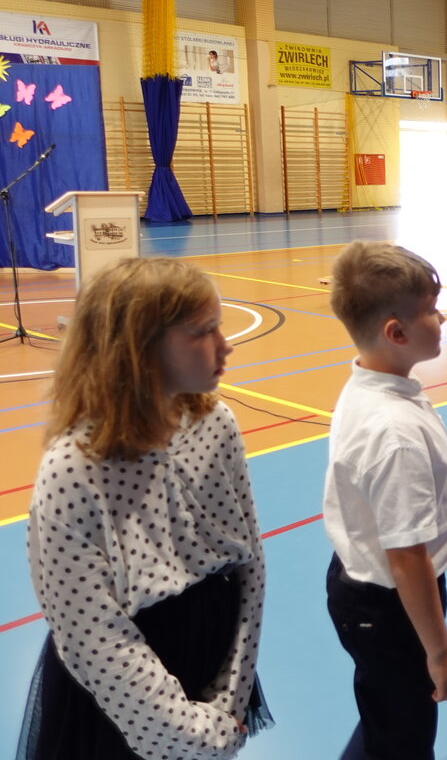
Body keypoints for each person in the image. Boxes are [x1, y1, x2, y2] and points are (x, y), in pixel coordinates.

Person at [18, 257, 270, 760]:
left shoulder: (216, 423)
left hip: (212, 670)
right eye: (203, 331)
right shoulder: (73, 471)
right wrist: (196, 734)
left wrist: (231, 692)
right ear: (140, 351)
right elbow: (92, 635)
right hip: (125, 706)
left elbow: (249, 561)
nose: (225, 345)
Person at [323, 241, 447, 760]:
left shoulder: (376, 383)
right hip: (388, 605)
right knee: (402, 738)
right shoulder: (394, 432)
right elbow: (407, 558)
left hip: (369, 588)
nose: (443, 317)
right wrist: (440, 651)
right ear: (396, 333)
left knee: (385, 721)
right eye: (431, 309)